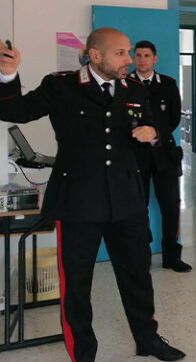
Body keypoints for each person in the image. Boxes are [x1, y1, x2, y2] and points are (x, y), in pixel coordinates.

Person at [0, 29, 184, 361]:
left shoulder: (136, 90)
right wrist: (8, 74)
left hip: (127, 199)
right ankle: (83, 351)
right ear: (95, 56)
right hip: (79, 201)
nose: (130, 60)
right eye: (121, 53)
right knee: (77, 284)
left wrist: (154, 133)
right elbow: (17, 112)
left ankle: (148, 339)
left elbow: (159, 137)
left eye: (130, 53)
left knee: (137, 276)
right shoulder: (62, 85)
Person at [129, 40, 191, 273]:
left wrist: (155, 133)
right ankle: (141, 254)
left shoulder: (167, 84)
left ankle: (171, 256)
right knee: (137, 207)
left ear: (154, 59)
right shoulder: (124, 84)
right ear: (133, 58)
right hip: (136, 155)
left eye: (146, 55)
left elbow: (174, 118)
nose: (142, 59)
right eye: (138, 55)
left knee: (171, 206)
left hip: (164, 154)